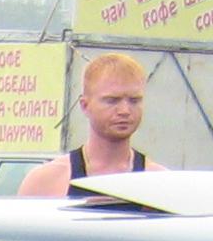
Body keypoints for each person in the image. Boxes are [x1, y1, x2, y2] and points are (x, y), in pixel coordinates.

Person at [18, 55, 154, 197]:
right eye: (112, 100)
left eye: (134, 101)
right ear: (85, 105)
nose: (124, 110)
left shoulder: (158, 182)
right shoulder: (45, 182)